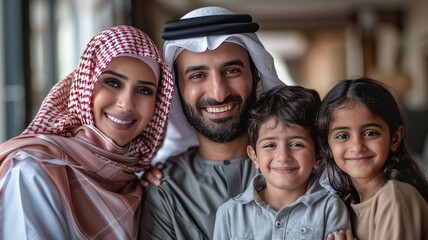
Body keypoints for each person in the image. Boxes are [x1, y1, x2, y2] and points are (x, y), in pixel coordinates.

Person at [0, 25, 174, 239]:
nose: (126, 104)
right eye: (112, 82)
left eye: (144, 90)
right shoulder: (31, 172)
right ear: (86, 87)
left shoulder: (134, 180)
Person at [140, 6, 285, 240]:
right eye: (197, 75)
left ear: (256, 76)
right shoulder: (165, 189)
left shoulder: (299, 165)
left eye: (231, 70)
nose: (218, 93)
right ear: (177, 88)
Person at [213, 85, 351, 239]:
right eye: (270, 145)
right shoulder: (230, 214)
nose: (283, 156)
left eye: (296, 144)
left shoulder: (330, 208)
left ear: (318, 155)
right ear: (254, 156)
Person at [317, 77, 428, 240]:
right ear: (327, 146)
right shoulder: (342, 204)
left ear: (395, 139)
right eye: (343, 136)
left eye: (370, 133)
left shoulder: (394, 198)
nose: (357, 146)